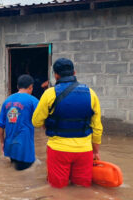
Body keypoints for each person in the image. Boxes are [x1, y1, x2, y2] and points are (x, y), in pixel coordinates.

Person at [32, 58, 103, 188]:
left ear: (56, 75)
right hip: (84, 151)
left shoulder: (49, 94)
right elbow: (97, 127)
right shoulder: (91, 93)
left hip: (58, 150)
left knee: (58, 189)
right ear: (74, 73)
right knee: (81, 189)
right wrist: (95, 151)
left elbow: (36, 122)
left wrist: (46, 123)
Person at [0, 75, 38, 170]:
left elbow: (0, 125)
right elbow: (42, 119)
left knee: (14, 171)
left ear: (18, 86)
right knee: (25, 176)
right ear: (31, 87)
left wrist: (2, 142)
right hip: (25, 147)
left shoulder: (7, 101)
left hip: (10, 145)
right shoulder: (33, 100)